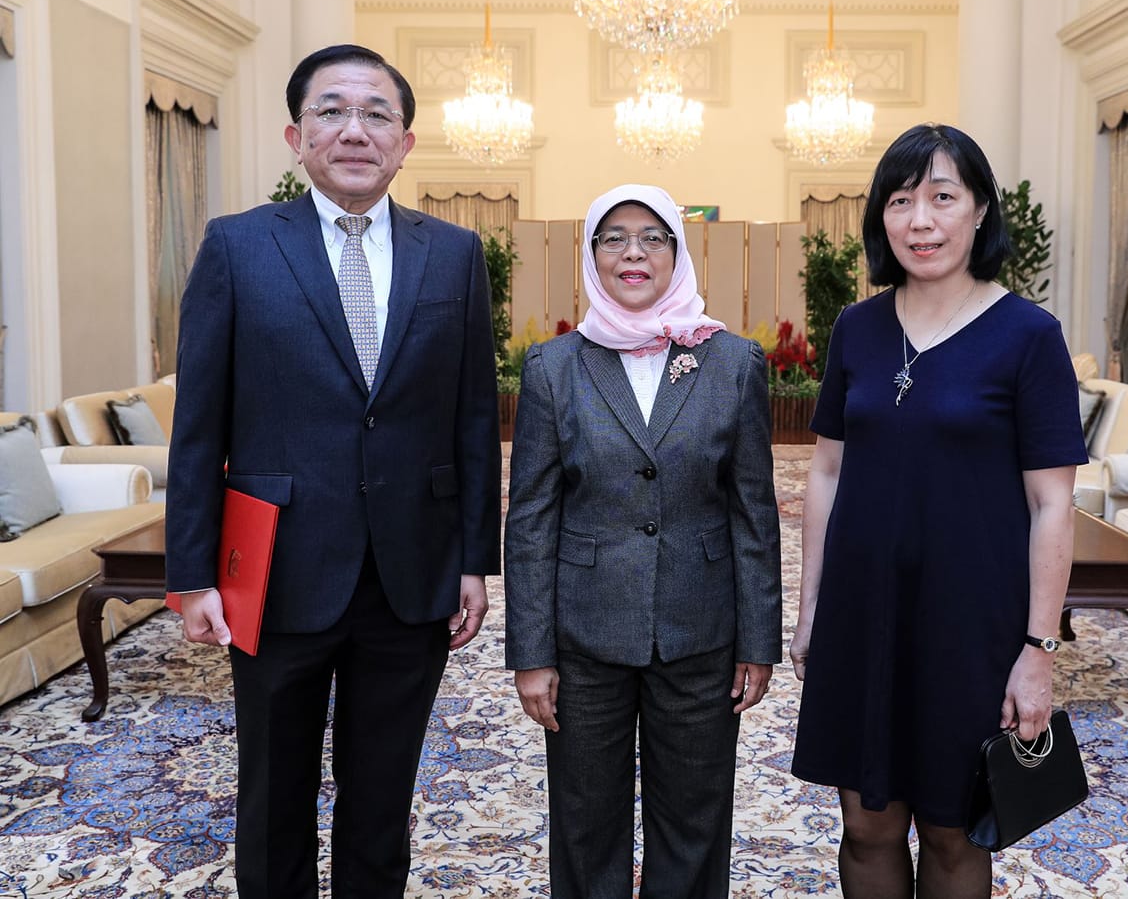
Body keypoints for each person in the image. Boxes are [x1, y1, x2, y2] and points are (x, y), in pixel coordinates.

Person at [165, 44, 501, 899]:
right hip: (277, 569)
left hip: (411, 571)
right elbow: (198, 427)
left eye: (377, 114)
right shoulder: (237, 246)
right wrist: (192, 575)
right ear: (296, 134)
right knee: (273, 795)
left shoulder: (454, 254)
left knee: (382, 799)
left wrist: (474, 559)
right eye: (332, 111)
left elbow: (472, 418)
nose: (355, 130)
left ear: (405, 142)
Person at [789, 124, 1086, 898]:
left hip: (972, 623)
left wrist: (1038, 651)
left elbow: (1053, 504)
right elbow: (826, 471)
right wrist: (810, 608)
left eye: (942, 197)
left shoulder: (1029, 336)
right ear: (880, 219)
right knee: (867, 825)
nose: (920, 220)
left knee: (955, 834)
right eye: (900, 201)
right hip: (863, 611)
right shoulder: (857, 328)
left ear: (980, 210)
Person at [504, 183, 783, 897]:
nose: (634, 253)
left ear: (677, 253)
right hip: (584, 636)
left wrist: (758, 641)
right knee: (584, 822)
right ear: (592, 254)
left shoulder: (734, 362)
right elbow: (531, 519)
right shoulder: (553, 367)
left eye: (653, 238)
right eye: (614, 238)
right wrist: (531, 654)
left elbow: (753, 511)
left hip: (701, 632)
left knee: (694, 820)